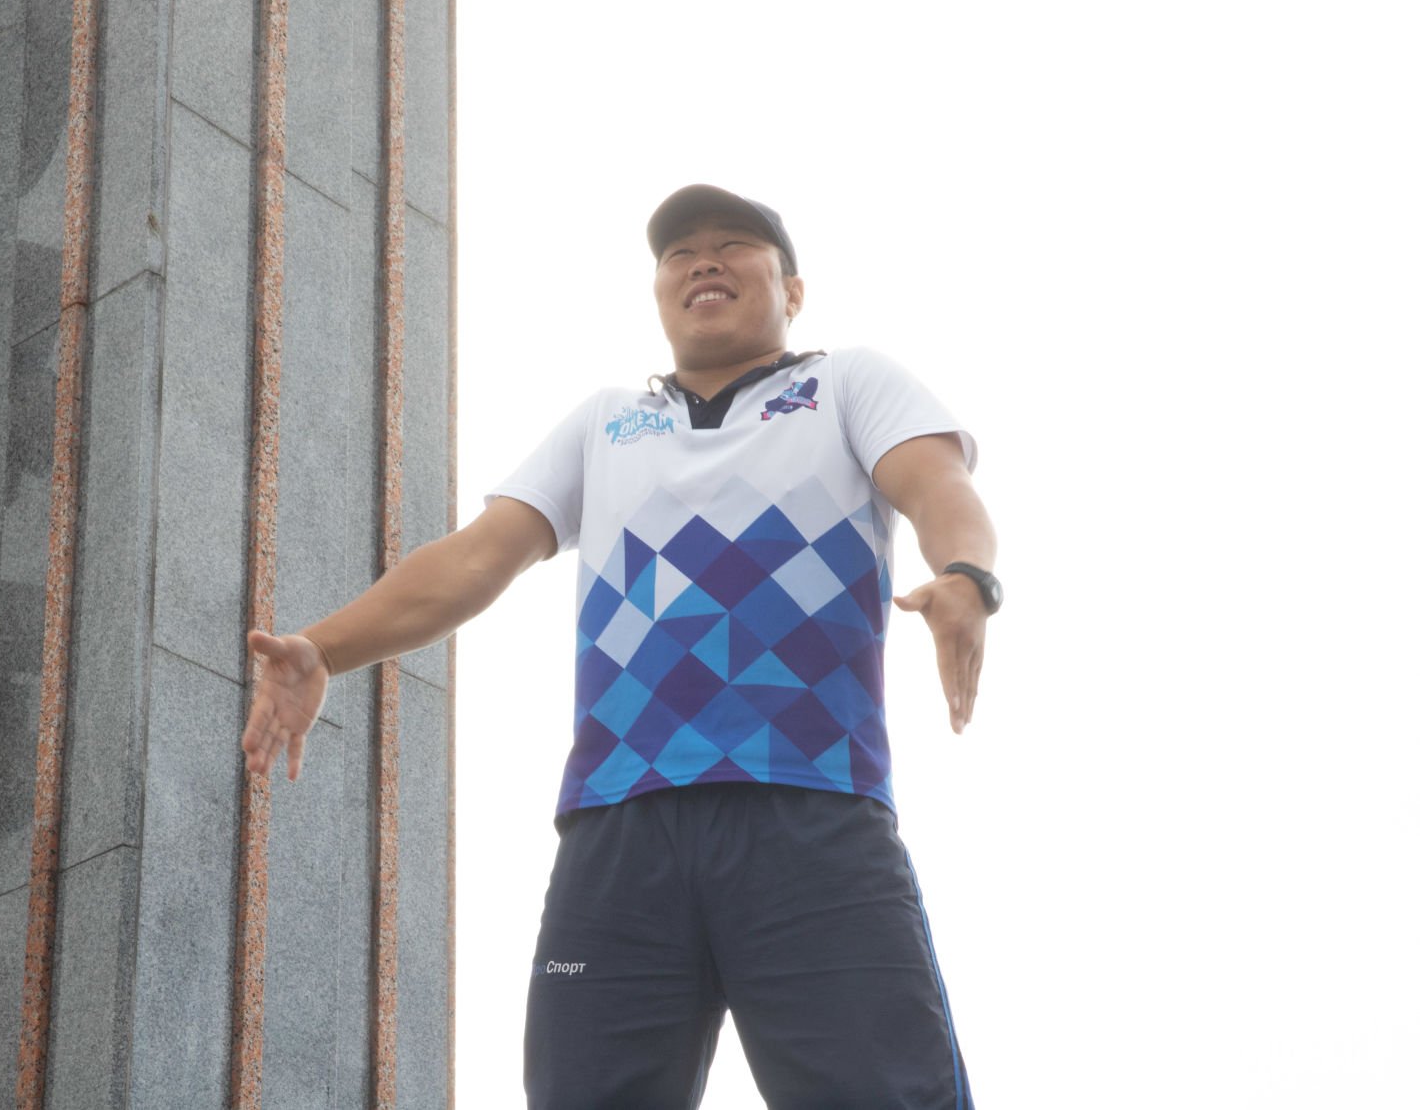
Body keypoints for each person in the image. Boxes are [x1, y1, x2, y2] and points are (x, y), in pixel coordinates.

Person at [242, 184, 998, 1109]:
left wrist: (967, 573)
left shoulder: (847, 384)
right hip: (616, 835)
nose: (704, 260)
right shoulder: (603, 423)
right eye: (680, 252)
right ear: (659, 291)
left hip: (811, 812)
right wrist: (324, 648)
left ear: (793, 290)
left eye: (734, 244)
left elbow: (938, 483)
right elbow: (474, 558)